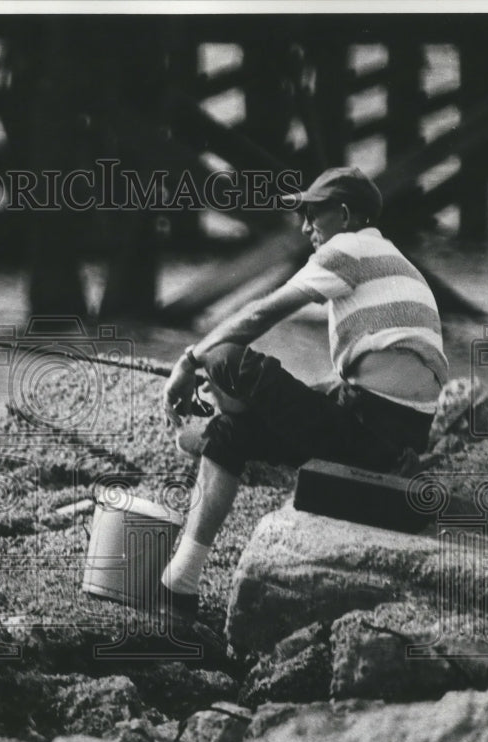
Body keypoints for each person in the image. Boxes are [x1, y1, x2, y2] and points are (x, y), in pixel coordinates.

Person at [159, 166, 447, 619]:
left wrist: (190, 359)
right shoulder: (394, 260)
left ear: (346, 214)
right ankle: (182, 580)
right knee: (233, 430)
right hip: (393, 433)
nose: (305, 226)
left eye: (313, 213)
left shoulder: (347, 249)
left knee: (225, 358)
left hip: (370, 432)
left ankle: (223, 418)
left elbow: (261, 312)